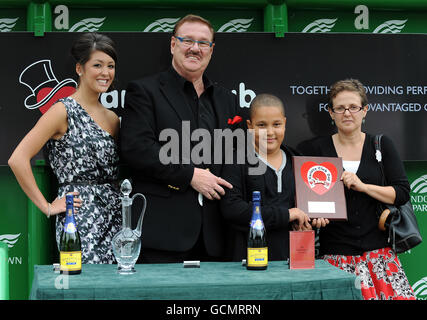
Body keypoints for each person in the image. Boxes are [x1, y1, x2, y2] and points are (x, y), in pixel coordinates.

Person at [120, 14, 242, 263]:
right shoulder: (144, 91)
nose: (195, 48)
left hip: (218, 238)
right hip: (164, 235)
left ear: (211, 50)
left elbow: (237, 156)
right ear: (173, 45)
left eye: (203, 42)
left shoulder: (227, 100)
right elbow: (137, 149)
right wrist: (191, 175)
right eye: (187, 40)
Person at [8, 33, 122, 264]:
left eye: (110, 66)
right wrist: (48, 207)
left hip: (115, 215)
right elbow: (17, 159)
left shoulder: (113, 118)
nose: (105, 73)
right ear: (79, 69)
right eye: (97, 65)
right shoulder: (62, 111)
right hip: (79, 217)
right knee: (83, 287)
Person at [298, 79, 415, 300]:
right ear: (331, 113)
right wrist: (314, 217)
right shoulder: (312, 149)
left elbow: (401, 192)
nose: (347, 113)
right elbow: (305, 200)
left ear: (365, 110)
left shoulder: (380, 145)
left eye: (353, 107)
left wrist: (363, 186)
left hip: (379, 257)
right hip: (334, 257)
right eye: (340, 108)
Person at [220, 94, 327, 262]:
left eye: (276, 124)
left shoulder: (298, 161)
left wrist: (315, 216)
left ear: (284, 123)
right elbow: (233, 209)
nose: (270, 132)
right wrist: (286, 215)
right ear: (250, 126)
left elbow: (307, 207)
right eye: (261, 125)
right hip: (248, 262)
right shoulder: (236, 161)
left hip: (294, 262)